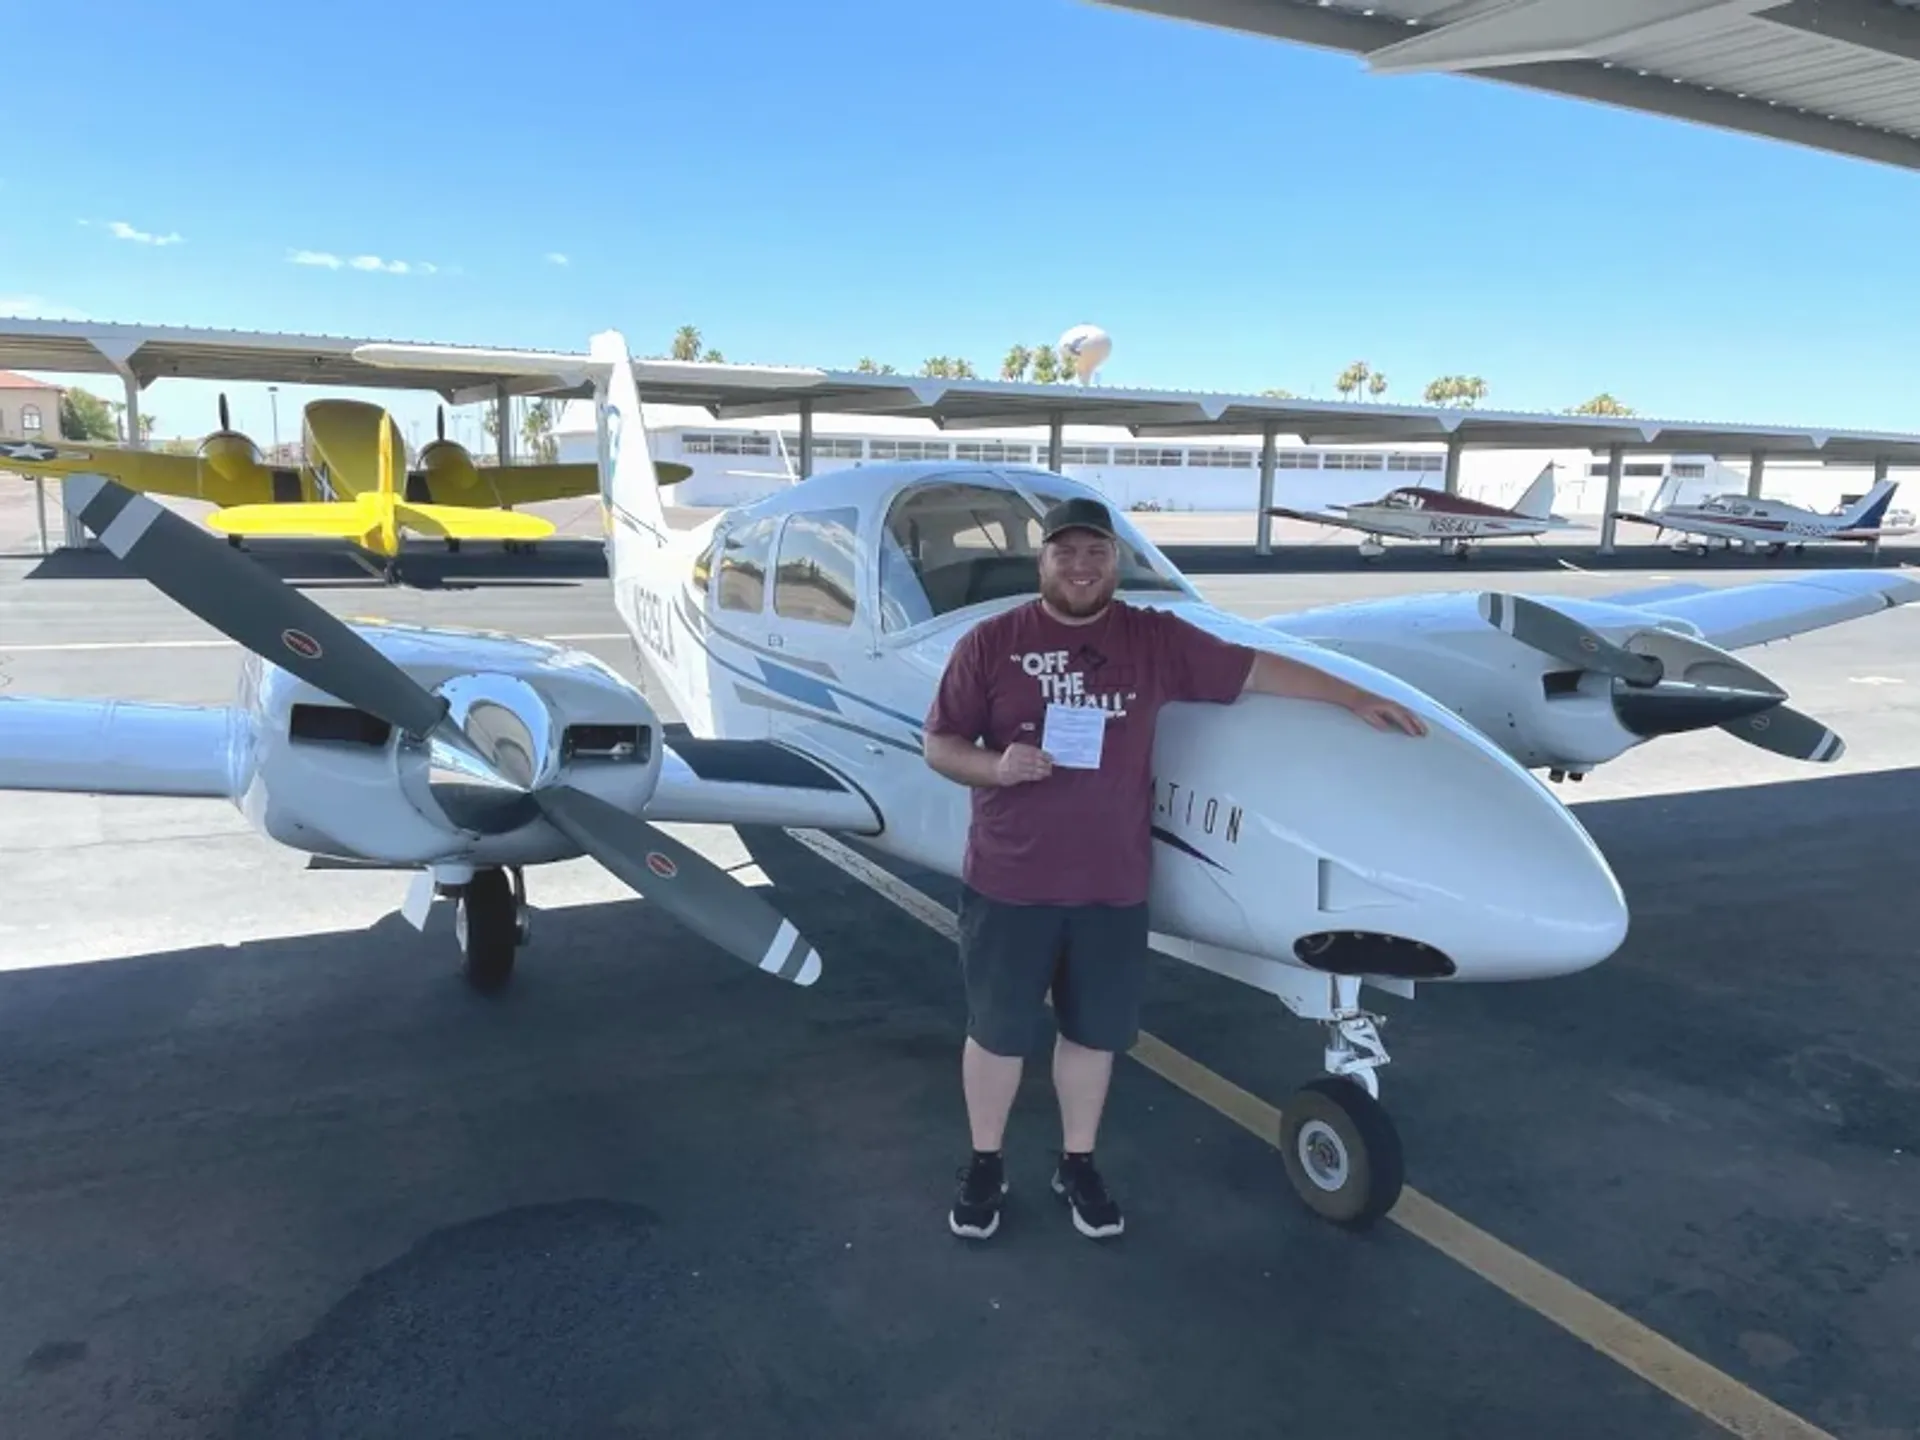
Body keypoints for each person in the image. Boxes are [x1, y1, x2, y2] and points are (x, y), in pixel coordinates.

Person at [921, 495, 1427, 1241]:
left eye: (1097, 552)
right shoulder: (991, 643)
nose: (1082, 566)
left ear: (1115, 562)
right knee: (997, 1035)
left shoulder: (1152, 640)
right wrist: (997, 768)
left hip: (1112, 887)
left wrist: (1355, 695)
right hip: (1011, 882)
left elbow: (1257, 670)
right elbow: (940, 745)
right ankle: (986, 1163)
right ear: (1044, 562)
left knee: (1093, 1038)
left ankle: (1078, 1163)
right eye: (1067, 552)